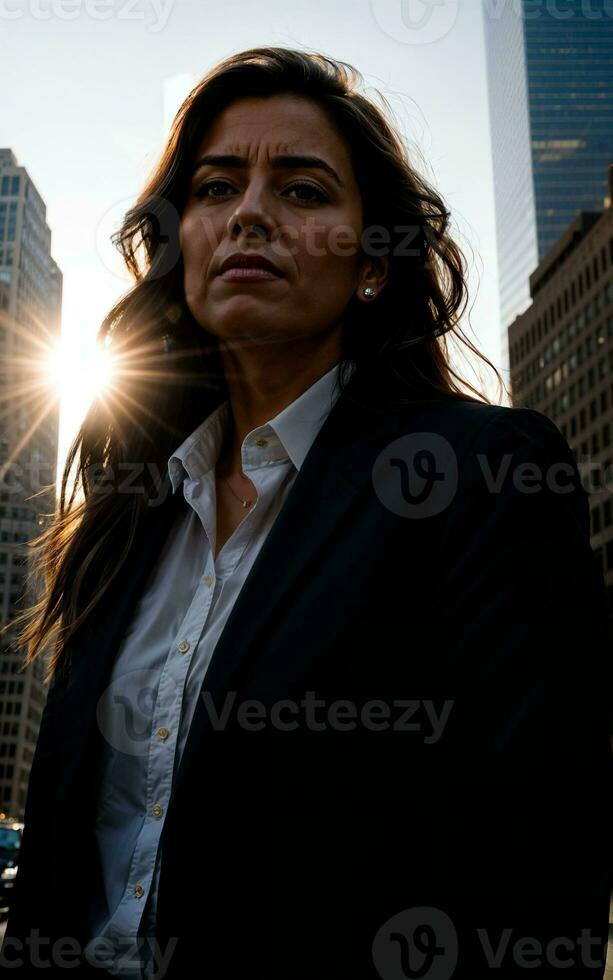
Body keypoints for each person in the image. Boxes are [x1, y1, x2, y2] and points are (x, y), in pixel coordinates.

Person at [2, 47, 612, 980]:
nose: (249, 212)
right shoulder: (127, 514)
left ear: (373, 264)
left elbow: (538, 861)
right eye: (215, 188)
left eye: (302, 191)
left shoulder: (478, 476)